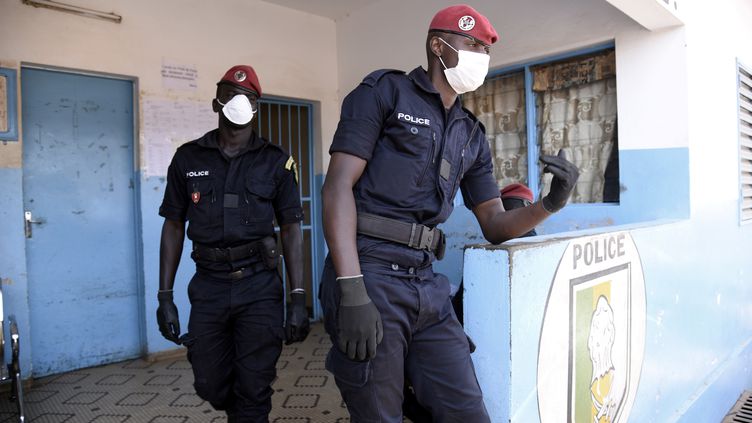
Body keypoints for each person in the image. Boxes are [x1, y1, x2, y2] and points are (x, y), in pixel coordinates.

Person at [320, 4, 579, 422]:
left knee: (468, 413)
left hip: (427, 283)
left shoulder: (471, 133)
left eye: (485, 49)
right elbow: (336, 187)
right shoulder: (384, 93)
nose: (481, 55)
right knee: (378, 415)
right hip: (370, 272)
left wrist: (550, 204)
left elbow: (494, 224)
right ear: (438, 46)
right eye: (471, 43)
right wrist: (351, 289)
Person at [156, 65, 310, 422]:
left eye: (249, 97)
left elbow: (290, 228)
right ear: (216, 102)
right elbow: (174, 225)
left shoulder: (277, 161)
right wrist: (165, 297)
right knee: (210, 384)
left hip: (259, 286)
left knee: (254, 388)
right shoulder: (187, 157)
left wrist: (298, 298)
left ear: (257, 107)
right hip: (208, 285)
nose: (240, 101)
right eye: (231, 94)